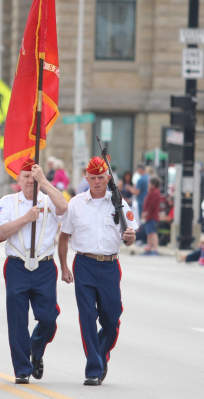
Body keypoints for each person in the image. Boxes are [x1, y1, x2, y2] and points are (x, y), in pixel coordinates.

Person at [58, 156, 137, 386]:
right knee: (87, 318)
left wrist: (130, 238)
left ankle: (101, 355)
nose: (97, 182)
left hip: (110, 266)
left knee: (112, 319)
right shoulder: (76, 204)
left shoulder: (119, 202)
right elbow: (64, 237)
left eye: (101, 177)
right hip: (83, 264)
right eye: (92, 178)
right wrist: (63, 266)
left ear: (108, 178)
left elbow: (129, 237)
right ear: (87, 179)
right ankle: (93, 368)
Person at [0, 158, 68, 384]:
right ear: (17, 179)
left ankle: (36, 347)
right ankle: (22, 369)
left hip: (44, 265)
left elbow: (64, 208)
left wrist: (43, 181)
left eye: (33, 176)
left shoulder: (49, 199)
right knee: (17, 320)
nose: (29, 181)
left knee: (48, 318)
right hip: (17, 264)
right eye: (25, 176)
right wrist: (26, 219)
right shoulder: (8, 202)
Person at [141, 178, 161, 256]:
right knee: (149, 232)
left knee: (152, 232)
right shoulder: (152, 192)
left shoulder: (155, 193)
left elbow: (152, 204)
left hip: (151, 215)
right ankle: (149, 247)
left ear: (153, 184)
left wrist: (147, 212)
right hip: (149, 215)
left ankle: (155, 248)